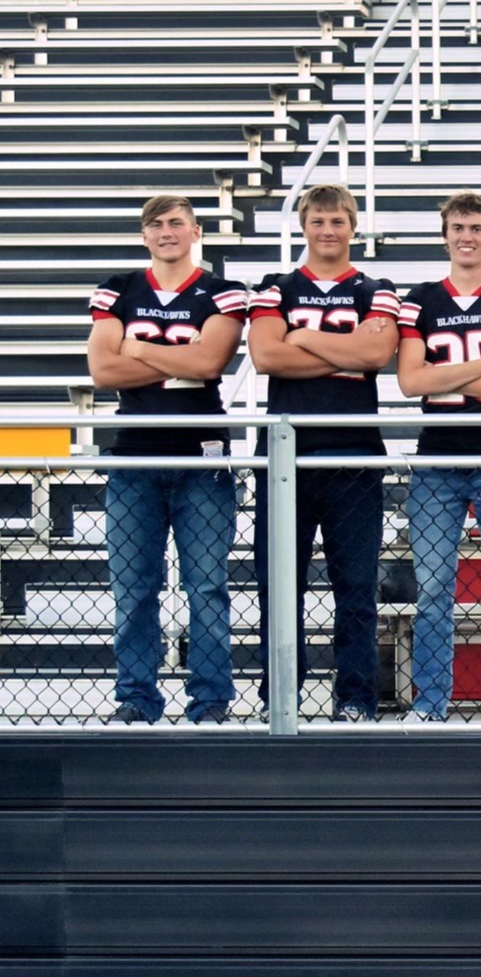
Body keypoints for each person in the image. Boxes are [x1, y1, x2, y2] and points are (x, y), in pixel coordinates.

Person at [86, 194, 247, 724]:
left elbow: (208, 361)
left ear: (196, 230)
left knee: (207, 587)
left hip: (201, 456)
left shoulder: (221, 292)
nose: (166, 231)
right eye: (155, 224)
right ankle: (136, 697)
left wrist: (136, 349)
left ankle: (211, 701)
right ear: (144, 235)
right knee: (133, 589)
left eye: (176, 222)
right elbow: (103, 372)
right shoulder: (119, 287)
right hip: (134, 457)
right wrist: (174, 359)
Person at [248, 184, 400, 721]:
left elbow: (376, 355)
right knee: (277, 584)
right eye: (317, 221)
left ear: (353, 226)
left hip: (354, 457)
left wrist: (302, 337)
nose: (327, 230)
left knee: (356, 587)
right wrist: (343, 350)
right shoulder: (275, 286)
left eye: (337, 221)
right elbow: (266, 356)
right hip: (285, 458)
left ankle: (355, 697)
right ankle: (280, 695)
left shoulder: (376, 288)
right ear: (303, 226)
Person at [394, 191, 481, 722]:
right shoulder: (422, 297)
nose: (467, 236)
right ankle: (431, 702)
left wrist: (445, 373)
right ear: (445, 234)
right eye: (458, 227)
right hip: (438, 458)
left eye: (476, 227)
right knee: (433, 590)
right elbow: (411, 381)